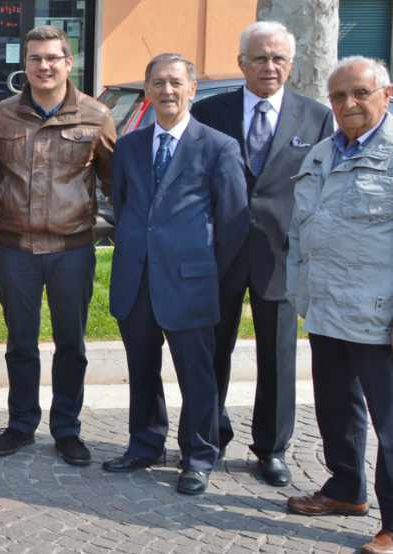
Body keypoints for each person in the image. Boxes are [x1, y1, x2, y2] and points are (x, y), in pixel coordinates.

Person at [284, 57, 393, 554]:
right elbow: (300, 229)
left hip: (383, 318)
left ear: (387, 95)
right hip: (326, 310)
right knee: (336, 409)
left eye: (361, 93)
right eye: (339, 95)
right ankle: (345, 489)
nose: (349, 104)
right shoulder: (322, 153)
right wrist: (301, 293)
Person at [190, 21, 334, 488]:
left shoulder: (316, 117)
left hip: (281, 254)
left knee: (278, 356)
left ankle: (271, 448)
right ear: (241, 63)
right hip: (219, 252)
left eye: (278, 58)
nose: (269, 66)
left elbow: (324, 190)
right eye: (259, 58)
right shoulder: (208, 112)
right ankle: (208, 439)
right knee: (213, 350)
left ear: (290, 64)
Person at [0, 26, 115, 465]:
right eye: (35, 58)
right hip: (16, 250)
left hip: (72, 250)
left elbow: (115, 181)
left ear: (69, 62)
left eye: (52, 58)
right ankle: (21, 424)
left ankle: (67, 429)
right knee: (21, 344)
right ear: (25, 64)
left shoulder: (96, 116)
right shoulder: (1, 116)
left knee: (71, 344)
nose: (44, 66)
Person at [102, 53, 249, 497]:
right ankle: (144, 444)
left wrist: (206, 271)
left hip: (191, 282)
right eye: (158, 83)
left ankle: (199, 456)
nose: (167, 90)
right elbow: (123, 204)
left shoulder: (218, 147)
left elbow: (233, 221)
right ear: (147, 90)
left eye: (175, 83)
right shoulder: (129, 146)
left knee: (197, 375)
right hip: (137, 279)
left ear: (191, 89)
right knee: (142, 368)